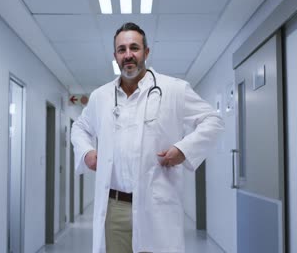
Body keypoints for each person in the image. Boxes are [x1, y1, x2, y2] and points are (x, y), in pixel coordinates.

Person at [71, 22, 224, 253]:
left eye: (134, 48)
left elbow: (213, 120)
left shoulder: (174, 89)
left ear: (147, 52)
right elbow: (79, 127)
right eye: (121, 50)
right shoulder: (100, 96)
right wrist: (87, 152)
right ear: (115, 56)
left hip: (156, 205)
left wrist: (184, 149)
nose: (128, 55)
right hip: (115, 207)